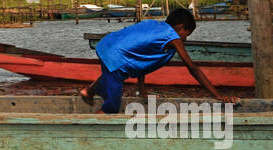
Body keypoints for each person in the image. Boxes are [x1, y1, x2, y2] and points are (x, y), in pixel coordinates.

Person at [79, 9, 239, 114]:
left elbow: (141, 58)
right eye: (186, 34)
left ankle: (88, 91)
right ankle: (88, 132)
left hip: (106, 45)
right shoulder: (173, 37)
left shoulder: (153, 24)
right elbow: (193, 68)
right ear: (180, 27)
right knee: (112, 106)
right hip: (115, 56)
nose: (184, 38)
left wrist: (142, 90)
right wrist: (217, 95)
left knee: (113, 73)